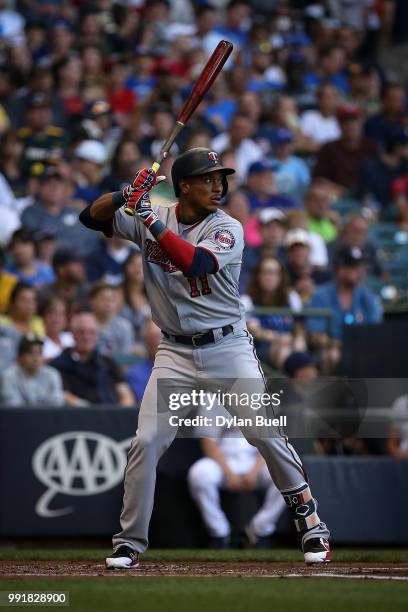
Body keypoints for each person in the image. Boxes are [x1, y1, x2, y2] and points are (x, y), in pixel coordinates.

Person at [79, 147, 331, 568]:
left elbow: (194, 263)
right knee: (145, 442)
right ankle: (128, 542)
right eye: (208, 179)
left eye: (220, 178)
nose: (218, 186)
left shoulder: (226, 226)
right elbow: (93, 216)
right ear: (184, 187)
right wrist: (125, 194)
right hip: (174, 350)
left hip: (227, 347)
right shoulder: (154, 213)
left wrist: (148, 216)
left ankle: (312, 523)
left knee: (265, 435)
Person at [188, 432, 286, 549]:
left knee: (285, 474)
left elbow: (270, 442)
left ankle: (258, 532)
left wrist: (254, 472)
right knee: (199, 474)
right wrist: (228, 473)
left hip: (257, 462)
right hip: (222, 461)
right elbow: (208, 441)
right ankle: (220, 534)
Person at [307, 245, 382, 370]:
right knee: (332, 355)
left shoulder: (368, 297)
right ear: (340, 269)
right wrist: (340, 345)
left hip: (362, 350)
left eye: (362, 267)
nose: (360, 272)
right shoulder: (320, 295)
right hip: (330, 350)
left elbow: (374, 332)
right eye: (354, 267)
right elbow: (315, 335)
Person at [50, 312, 134, 407]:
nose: (86, 337)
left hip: (111, 416)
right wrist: (87, 409)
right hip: (78, 417)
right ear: (73, 335)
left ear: (97, 336)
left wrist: (119, 413)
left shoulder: (108, 362)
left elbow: (125, 394)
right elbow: (63, 395)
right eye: (81, 332)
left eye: (91, 332)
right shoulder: (59, 364)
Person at [242, 256, 306, 368]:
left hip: (290, 344)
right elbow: (254, 330)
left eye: (275, 273)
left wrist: (298, 337)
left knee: (300, 349)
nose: (270, 277)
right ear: (258, 276)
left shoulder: (291, 297)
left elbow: (299, 325)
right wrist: (278, 338)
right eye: (266, 273)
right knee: (283, 350)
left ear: (281, 277)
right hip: (261, 350)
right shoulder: (247, 300)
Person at [312, 106, 378, 195]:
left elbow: (379, 177)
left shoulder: (371, 147)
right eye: (345, 122)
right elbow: (318, 179)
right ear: (339, 125)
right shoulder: (328, 148)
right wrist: (339, 190)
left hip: (366, 197)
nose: (350, 126)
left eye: (354, 121)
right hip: (336, 196)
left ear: (361, 123)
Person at [0, 334, 64, 407]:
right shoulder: (9, 376)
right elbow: (13, 408)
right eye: (31, 353)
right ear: (20, 357)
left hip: (46, 418)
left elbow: (57, 404)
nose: (35, 358)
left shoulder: (52, 374)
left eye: (39, 353)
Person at [89, 281, 136, 356]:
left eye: (112, 299)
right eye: (103, 299)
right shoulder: (84, 325)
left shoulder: (125, 326)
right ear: (92, 302)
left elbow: (126, 356)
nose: (108, 303)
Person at [125, 319, 162, 402]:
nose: (157, 342)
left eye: (160, 336)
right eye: (152, 337)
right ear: (145, 340)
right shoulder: (134, 373)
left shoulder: (182, 370)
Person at [39, 296, 74, 361]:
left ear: (66, 320)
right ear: (43, 317)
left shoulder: (72, 337)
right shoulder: (38, 341)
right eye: (51, 313)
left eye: (61, 314)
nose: (56, 319)